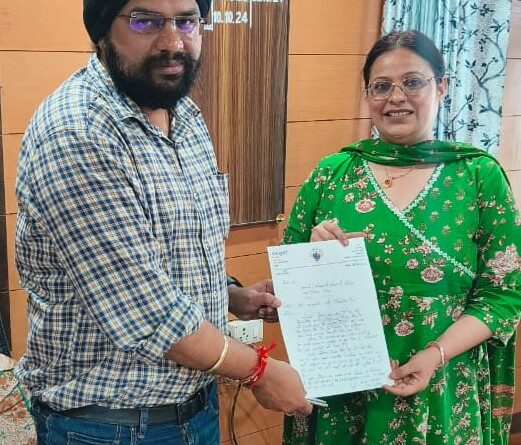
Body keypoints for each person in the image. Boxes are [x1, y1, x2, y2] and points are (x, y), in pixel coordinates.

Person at [14, 0, 312, 443]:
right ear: (102, 31)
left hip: (194, 408)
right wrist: (259, 371)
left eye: (187, 21)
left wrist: (231, 294)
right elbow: (146, 311)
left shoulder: (183, 113)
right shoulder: (78, 132)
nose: (173, 42)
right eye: (145, 20)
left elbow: (171, 250)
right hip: (107, 426)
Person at [282, 30, 521, 444]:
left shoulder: (478, 176)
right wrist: (314, 260)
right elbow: (287, 288)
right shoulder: (332, 174)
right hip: (343, 388)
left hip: (441, 383)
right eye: (381, 86)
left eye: (413, 82)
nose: (396, 97)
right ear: (367, 95)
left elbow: (503, 294)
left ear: (441, 87)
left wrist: (435, 355)